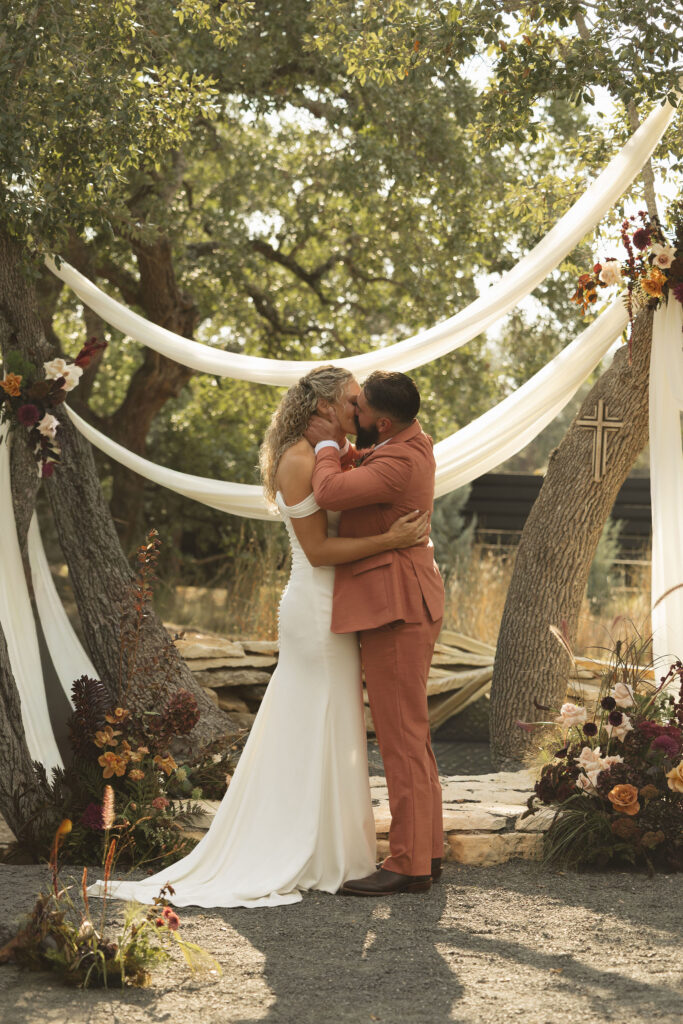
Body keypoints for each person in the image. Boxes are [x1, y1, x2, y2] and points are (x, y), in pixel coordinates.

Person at [86, 365, 428, 908]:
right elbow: (317, 551)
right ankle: (296, 846)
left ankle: (331, 848)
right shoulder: (300, 458)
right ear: (323, 408)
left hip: (333, 607)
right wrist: (390, 540)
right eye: (350, 401)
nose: (357, 411)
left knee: (331, 729)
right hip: (316, 610)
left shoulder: (334, 452)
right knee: (312, 725)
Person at [306, 370, 445, 896]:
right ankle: (427, 852)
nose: (352, 414)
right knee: (413, 734)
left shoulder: (399, 458)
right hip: (406, 598)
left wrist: (325, 444)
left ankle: (408, 863)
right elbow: (362, 467)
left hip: (396, 607)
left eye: (358, 408)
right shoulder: (407, 440)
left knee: (401, 737)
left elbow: (331, 493)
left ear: (381, 421)